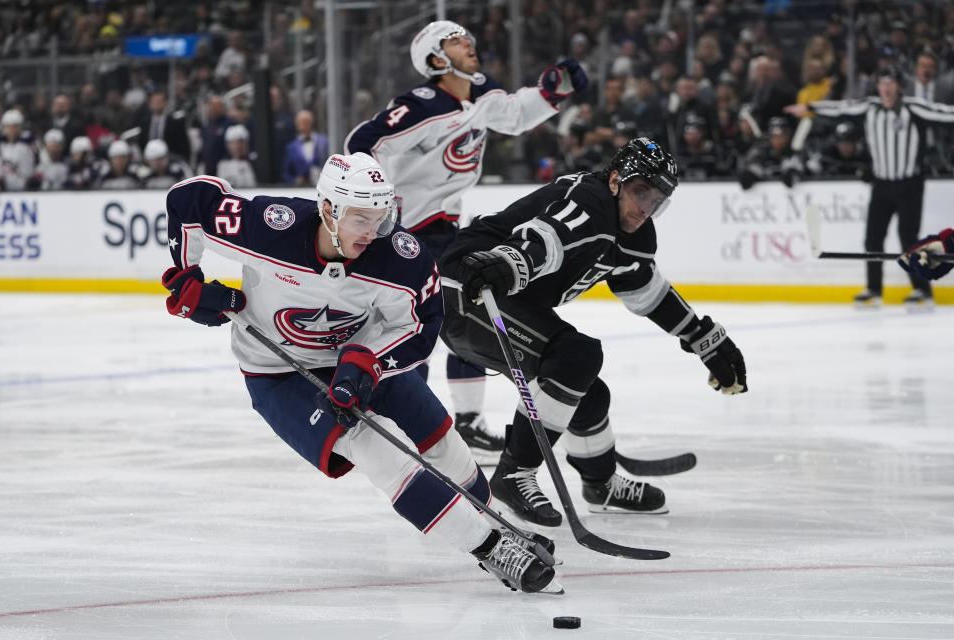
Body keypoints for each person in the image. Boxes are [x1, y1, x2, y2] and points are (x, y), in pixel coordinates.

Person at [160, 152, 558, 593]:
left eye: (381, 218)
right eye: (361, 219)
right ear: (328, 210)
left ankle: (494, 525)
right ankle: (489, 549)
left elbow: (422, 325)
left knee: (442, 441)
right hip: (279, 373)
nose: (373, 233)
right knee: (372, 446)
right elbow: (189, 199)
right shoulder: (267, 228)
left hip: (363, 357)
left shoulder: (400, 258)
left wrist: (371, 361)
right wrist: (185, 276)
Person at [438, 138, 748, 527]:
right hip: (468, 290)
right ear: (616, 179)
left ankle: (600, 485)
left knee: (587, 392)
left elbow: (648, 293)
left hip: (503, 297)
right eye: (640, 192)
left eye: (656, 200)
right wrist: (513, 260)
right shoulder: (589, 200)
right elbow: (547, 237)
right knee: (575, 356)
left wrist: (706, 340)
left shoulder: (633, 233)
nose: (645, 208)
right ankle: (514, 474)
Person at [345, 19, 588, 455]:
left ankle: (466, 420)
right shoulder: (420, 104)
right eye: (457, 41)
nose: (469, 44)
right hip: (406, 233)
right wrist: (372, 202)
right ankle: (403, 416)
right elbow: (363, 142)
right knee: (419, 322)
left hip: (443, 227)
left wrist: (552, 91)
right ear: (437, 60)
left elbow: (513, 114)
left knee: (469, 307)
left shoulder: (480, 92)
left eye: (468, 38)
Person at [785, 65, 954, 309]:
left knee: (908, 238)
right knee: (873, 238)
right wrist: (811, 108)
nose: (886, 88)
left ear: (898, 86)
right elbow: (841, 109)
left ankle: (922, 291)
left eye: (890, 83)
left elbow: (943, 114)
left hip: (909, 184)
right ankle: (874, 289)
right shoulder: (870, 107)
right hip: (882, 183)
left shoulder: (913, 108)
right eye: (882, 84)